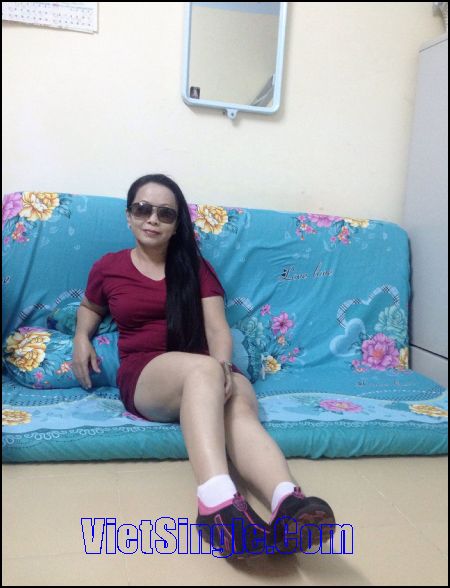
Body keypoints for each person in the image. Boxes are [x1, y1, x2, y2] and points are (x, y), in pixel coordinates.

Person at [72, 174, 335, 558]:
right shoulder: (109, 267)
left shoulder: (194, 267)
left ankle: (288, 503)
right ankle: (216, 503)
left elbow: (217, 329)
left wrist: (224, 367)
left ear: (176, 223)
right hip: (147, 375)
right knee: (204, 370)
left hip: (207, 370)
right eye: (143, 209)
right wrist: (82, 336)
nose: (152, 219)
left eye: (165, 213)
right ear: (129, 215)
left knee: (239, 403)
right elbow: (90, 307)